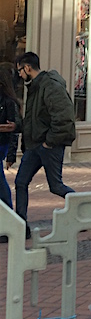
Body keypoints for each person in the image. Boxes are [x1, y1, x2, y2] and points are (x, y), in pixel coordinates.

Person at [14, 51, 76, 234]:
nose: (19, 75)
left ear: (27, 68)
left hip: (49, 146)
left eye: (20, 70)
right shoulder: (34, 86)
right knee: (20, 182)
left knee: (56, 186)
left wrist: (49, 143)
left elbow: (64, 118)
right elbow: (35, 118)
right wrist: (17, 127)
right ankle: (21, 226)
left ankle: (85, 208)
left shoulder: (50, 85)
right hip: (35, 146)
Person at [0, 64, 22, 210]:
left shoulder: (9, 102)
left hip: (1, 144)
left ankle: (9, 212)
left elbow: (15, 129)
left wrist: (11, 155)